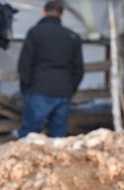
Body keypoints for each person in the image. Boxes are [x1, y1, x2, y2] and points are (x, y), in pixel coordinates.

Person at [15, 0, 84, 138]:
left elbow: (24, 64)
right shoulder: (72, 36)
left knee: (30, 136)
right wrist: (70, 89)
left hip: (39, 90)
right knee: (57, 139)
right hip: (63, 92)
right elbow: (78, 69)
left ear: (44, 12)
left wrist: (26, 87)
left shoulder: (35, 33)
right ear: (61, 15)